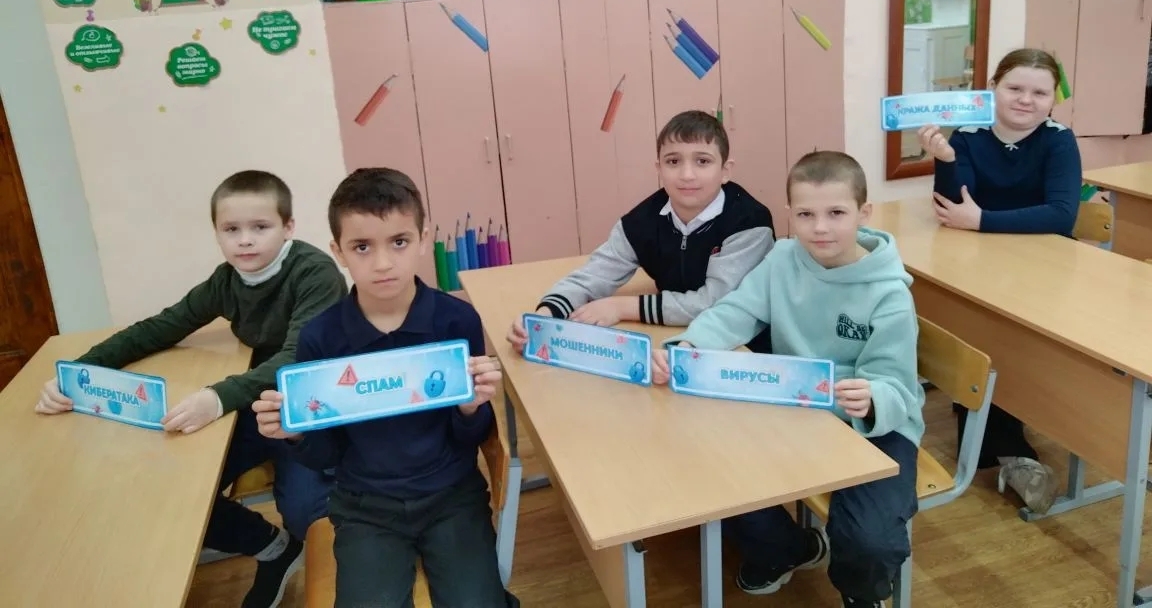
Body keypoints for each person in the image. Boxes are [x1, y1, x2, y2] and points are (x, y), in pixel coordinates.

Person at [34, 170, 348, 608]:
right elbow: (161, 326)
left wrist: (217, 397)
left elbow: (299, 359)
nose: (245, 240)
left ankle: (323, 545)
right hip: (255, 404)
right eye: (231, 229)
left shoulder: (315, 274)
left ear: (288, 227)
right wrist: (77, 373)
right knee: (174, 491)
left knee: (307, 516)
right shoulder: (227, 280)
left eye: (260, 227)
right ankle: (273, 549)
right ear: (217, 233)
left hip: (311, 409)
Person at [653, 151, 923, 608]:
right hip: (796, 408)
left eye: (836, 213)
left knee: (870, 538)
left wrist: (874, 397)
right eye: (805, 215)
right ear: (790, 215)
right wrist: (689, 346)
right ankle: (788, 548)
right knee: (707, 460)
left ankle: (861, 594)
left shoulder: (889, 294)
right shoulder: (782, 258)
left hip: (874, 424)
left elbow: (896, 384)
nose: (820, 228)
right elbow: (737, 311)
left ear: (864, 213)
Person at [253, 168, 517, 608]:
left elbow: (470, 438)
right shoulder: (320, 338)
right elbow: (327, 456)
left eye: (399, 242)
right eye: (362, 247)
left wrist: (472, 408)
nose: (382, 263)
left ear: (423, 239)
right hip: (364, 506)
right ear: (338, 252)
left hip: (452, 497)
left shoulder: (456, 321)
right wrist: (295, 433)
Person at [918, 47, 1081, 514]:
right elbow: (952, 206)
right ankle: (997, 436)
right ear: (993, 88)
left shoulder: (1058, 140)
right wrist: (946, 159)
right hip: (979, 263)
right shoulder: (968, 135)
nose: (1026, 100)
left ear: (1053, 99)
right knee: (974, 333)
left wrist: (983, 220)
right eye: (1015, 88)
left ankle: (1004, 442)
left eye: (1040, 92)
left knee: (1006, 344)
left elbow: (1061, 215)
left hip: (1043, 268)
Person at [507, 110, 775, 351]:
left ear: (725, 171)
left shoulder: (749, 223)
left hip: (742, 348)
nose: (687, 174)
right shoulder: (642, 220)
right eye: (673, 161)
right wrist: (543, 316)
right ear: (659, 168)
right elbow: (595, 274)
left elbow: (716, 303)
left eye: (702, 161)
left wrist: (623, 307)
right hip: (672, 337)